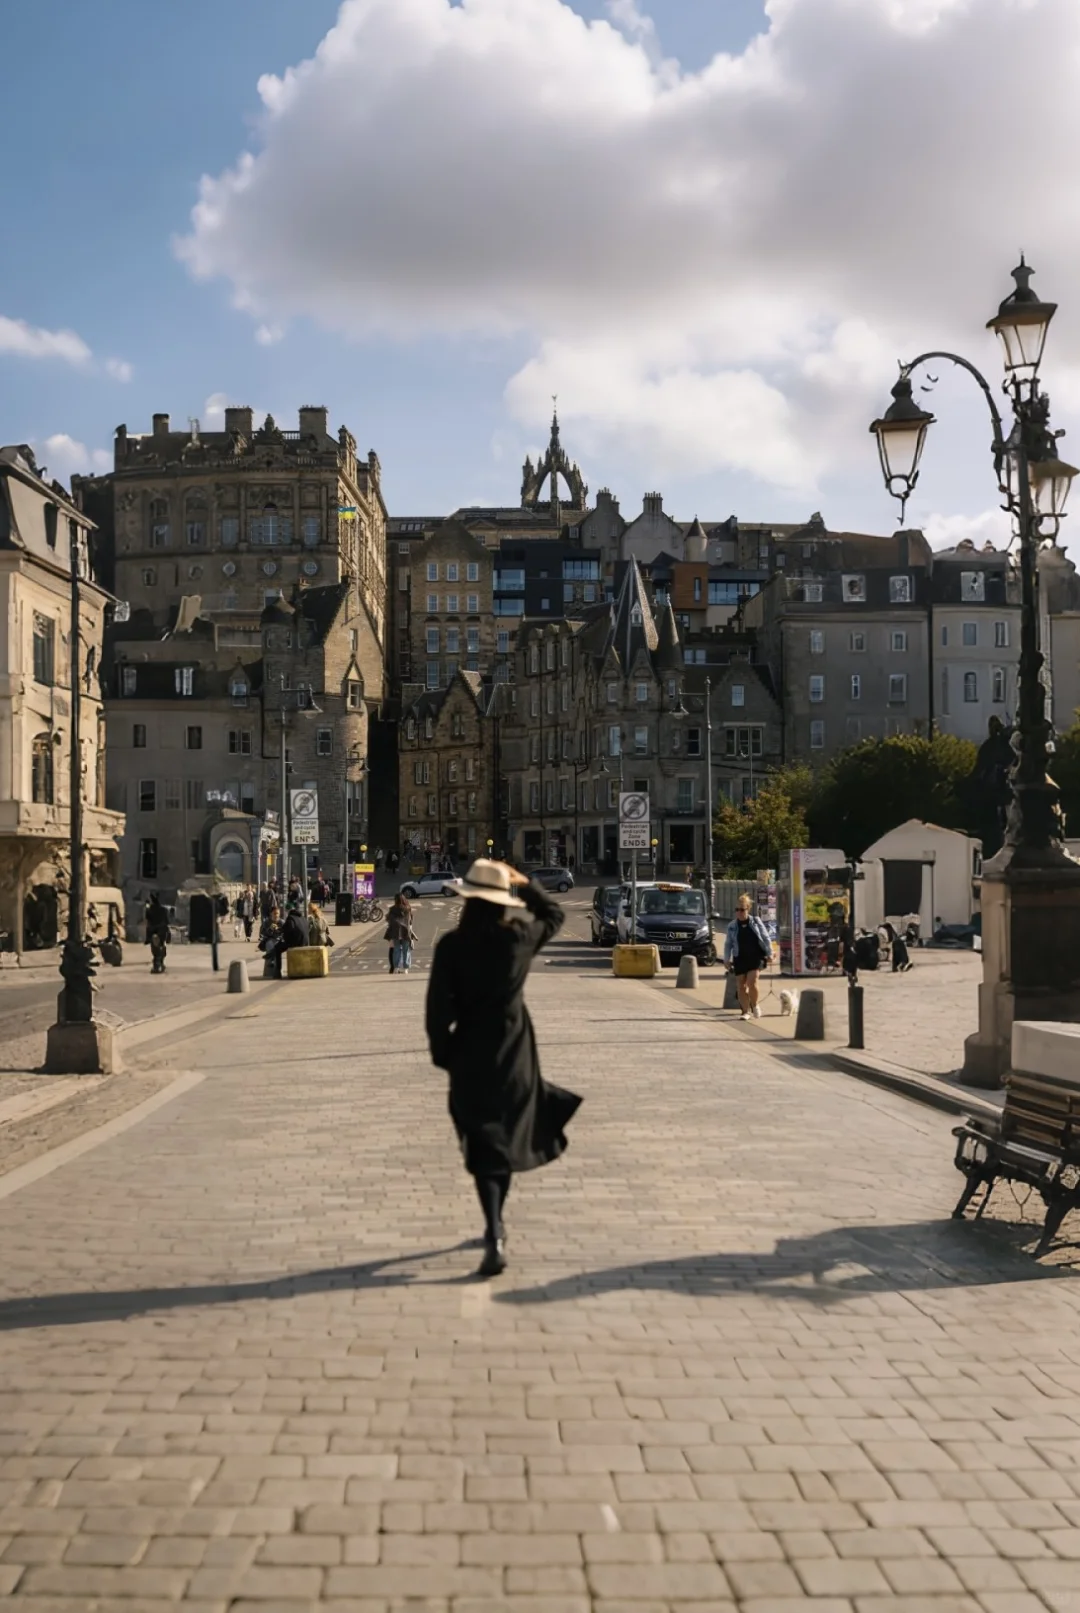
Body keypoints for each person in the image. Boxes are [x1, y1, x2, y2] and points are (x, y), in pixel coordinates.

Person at [426, 859, 582, 1278]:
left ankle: (493, 1227)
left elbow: (437, 1011)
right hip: (515, 1054)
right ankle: (496, 1227)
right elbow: (554, 914)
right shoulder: (518, 939)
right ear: (501, 900)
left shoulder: (451, 946)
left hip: (470, 1053)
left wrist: (444, 1055)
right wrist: (526, 883)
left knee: (482, 1142)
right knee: (506, 1138)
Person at [724, 894, 773, 1020]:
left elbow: (766, 938)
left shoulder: (755, 921)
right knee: (741, 985)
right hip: (739, 957)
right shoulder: (732, 926)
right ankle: (745, 1012)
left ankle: (755, 1005)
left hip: (755, 957)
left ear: (748, 909)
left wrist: (770, 953)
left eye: (742, 909)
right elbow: (728, 943)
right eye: (737, 909)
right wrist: (726, 959)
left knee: (752, 981)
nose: (739, 912)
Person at [385, 893, 417, 974]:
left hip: (395, 932)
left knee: (396, 950)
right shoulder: (407, 909)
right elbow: (410, 921)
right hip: (405, 931)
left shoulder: (392, 909)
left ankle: (396, 967)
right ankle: (406, 968)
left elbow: (389, 919)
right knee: (406, 950)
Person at [144, 893, 170, 975]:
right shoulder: (163, 910)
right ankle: (159, 963)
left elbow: (147, 919)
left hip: (154, 931)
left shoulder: (149, 910)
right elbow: (166, 921)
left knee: (156, 948)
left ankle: (158, 963)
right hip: (161, 931)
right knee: (161, 946)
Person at [258, 905, 285, 978]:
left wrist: (278, 930)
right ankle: (272, 960)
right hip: (268, 940)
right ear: (271, 914)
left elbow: (284, 934)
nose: (276, 915)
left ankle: (271, 960)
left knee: (276, 944)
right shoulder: (267, 922)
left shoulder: (282, 922)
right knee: (270, 943)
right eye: (275, 913)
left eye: (278, 913)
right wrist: (270, 929)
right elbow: (262, 934)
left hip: (279, 940)